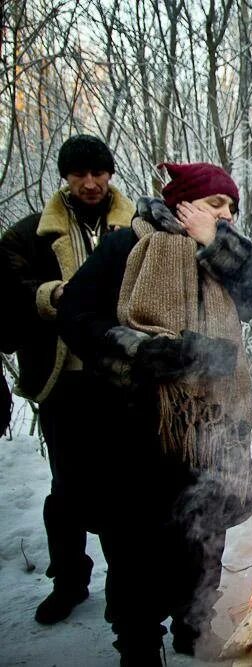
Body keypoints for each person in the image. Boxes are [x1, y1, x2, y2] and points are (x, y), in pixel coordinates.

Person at [57, 161, 252, 664]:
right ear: (180, 202)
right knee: (136, 545)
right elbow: (75, 316)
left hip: (213, 431)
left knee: (203, 540)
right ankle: (137, 640)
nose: (226, 215)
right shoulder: (126, 247)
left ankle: (193, 625)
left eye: (231, 207)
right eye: (214, 204)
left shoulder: (226, 257)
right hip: (138, 429)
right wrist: (144, 352)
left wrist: (214, 241)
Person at [0, 134, 135, 624]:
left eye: (98, 173)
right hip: (65, 381)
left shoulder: (138, 228)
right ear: (66, 177)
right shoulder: (29, 235)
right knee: (67, 489)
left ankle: (130, 586)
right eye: (80, 174)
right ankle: (70, 581)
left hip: (122, 380)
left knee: (126, 489)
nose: (91, 183)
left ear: (110, 174)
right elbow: (7, 296)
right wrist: (47, 297)